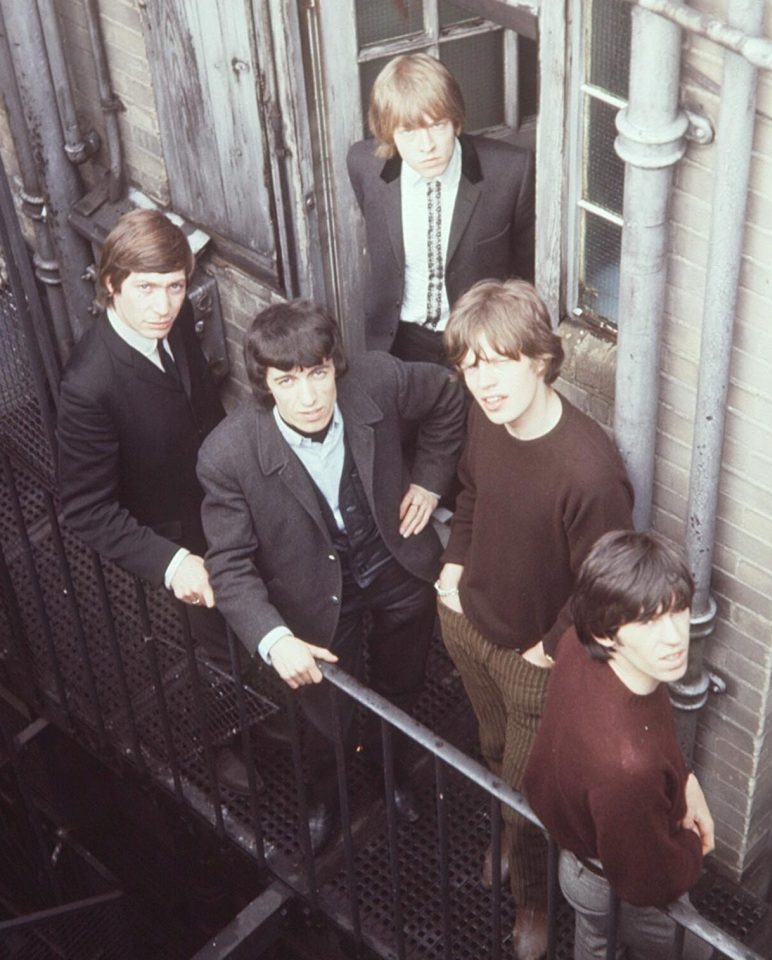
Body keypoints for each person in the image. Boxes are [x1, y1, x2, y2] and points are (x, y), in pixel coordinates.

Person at [197, 299, 465, 852]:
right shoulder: (227, 455)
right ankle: (327, 796)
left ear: (335, 366)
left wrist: (430, 480)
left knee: (400, 686)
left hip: (393, 565)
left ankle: (391, 778)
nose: (311, 395)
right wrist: (274, 640)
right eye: (288, 380)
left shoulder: (378, 379)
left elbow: (448, 396)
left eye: (319, 374)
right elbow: (228, 563)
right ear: (265, 384)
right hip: (311, 598)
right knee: (326, 713)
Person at [436, 279, 634, 960]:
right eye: (470, 366)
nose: (483, 384)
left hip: (531, 662)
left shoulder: (589, 472)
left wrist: (547, 650)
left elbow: (602, 586)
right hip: (469, 626)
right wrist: (454, 568)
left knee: (528, 796)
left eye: (499, 361)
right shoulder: (485, 422)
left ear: (541, 359)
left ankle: (532, 906)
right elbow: (467, 491)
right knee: (492, 755)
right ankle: (507, 842)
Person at [56, 209, 255, 794]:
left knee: (241, 628)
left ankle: (257, 716)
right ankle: (218, 743)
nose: (163, 304)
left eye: (175, 286)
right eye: (146, 288)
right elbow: (87, 510)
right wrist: (172, 562)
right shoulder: (89, 386)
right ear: (112, 284)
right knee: (204, 651)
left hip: (214, 505)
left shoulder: (174, 321)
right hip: (166, 539)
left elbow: (202, 407)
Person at [523, 529, 716, 960]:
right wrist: (692, 849)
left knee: (595, 941)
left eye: (679, 611)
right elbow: (648, 882)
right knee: (697, 951)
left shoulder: (581, 645)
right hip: (612, 877)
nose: (674, 638)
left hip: (579, 857)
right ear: (607, 632)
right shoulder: (628, 770)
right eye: (648, 621)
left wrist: (685, 780)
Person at [347, 52, 534, 366]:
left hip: (479, 343)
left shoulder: (512, 171)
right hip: (397, 341)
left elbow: (527, 273)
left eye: (437, 126)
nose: (426, 146)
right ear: (388, 131)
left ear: (456, 121)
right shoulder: (363, 164)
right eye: (408, 132)